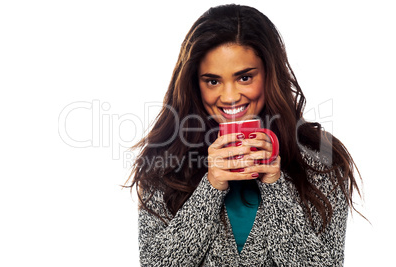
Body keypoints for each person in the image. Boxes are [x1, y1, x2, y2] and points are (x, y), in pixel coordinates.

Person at [128, 4, 362, 266]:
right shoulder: (165, 160)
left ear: (269, 74)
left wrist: (274, 185)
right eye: (213, 81)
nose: (229, 97)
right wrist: (211, 186)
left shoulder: (321, 160)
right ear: (195, 83)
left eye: (244, 78)